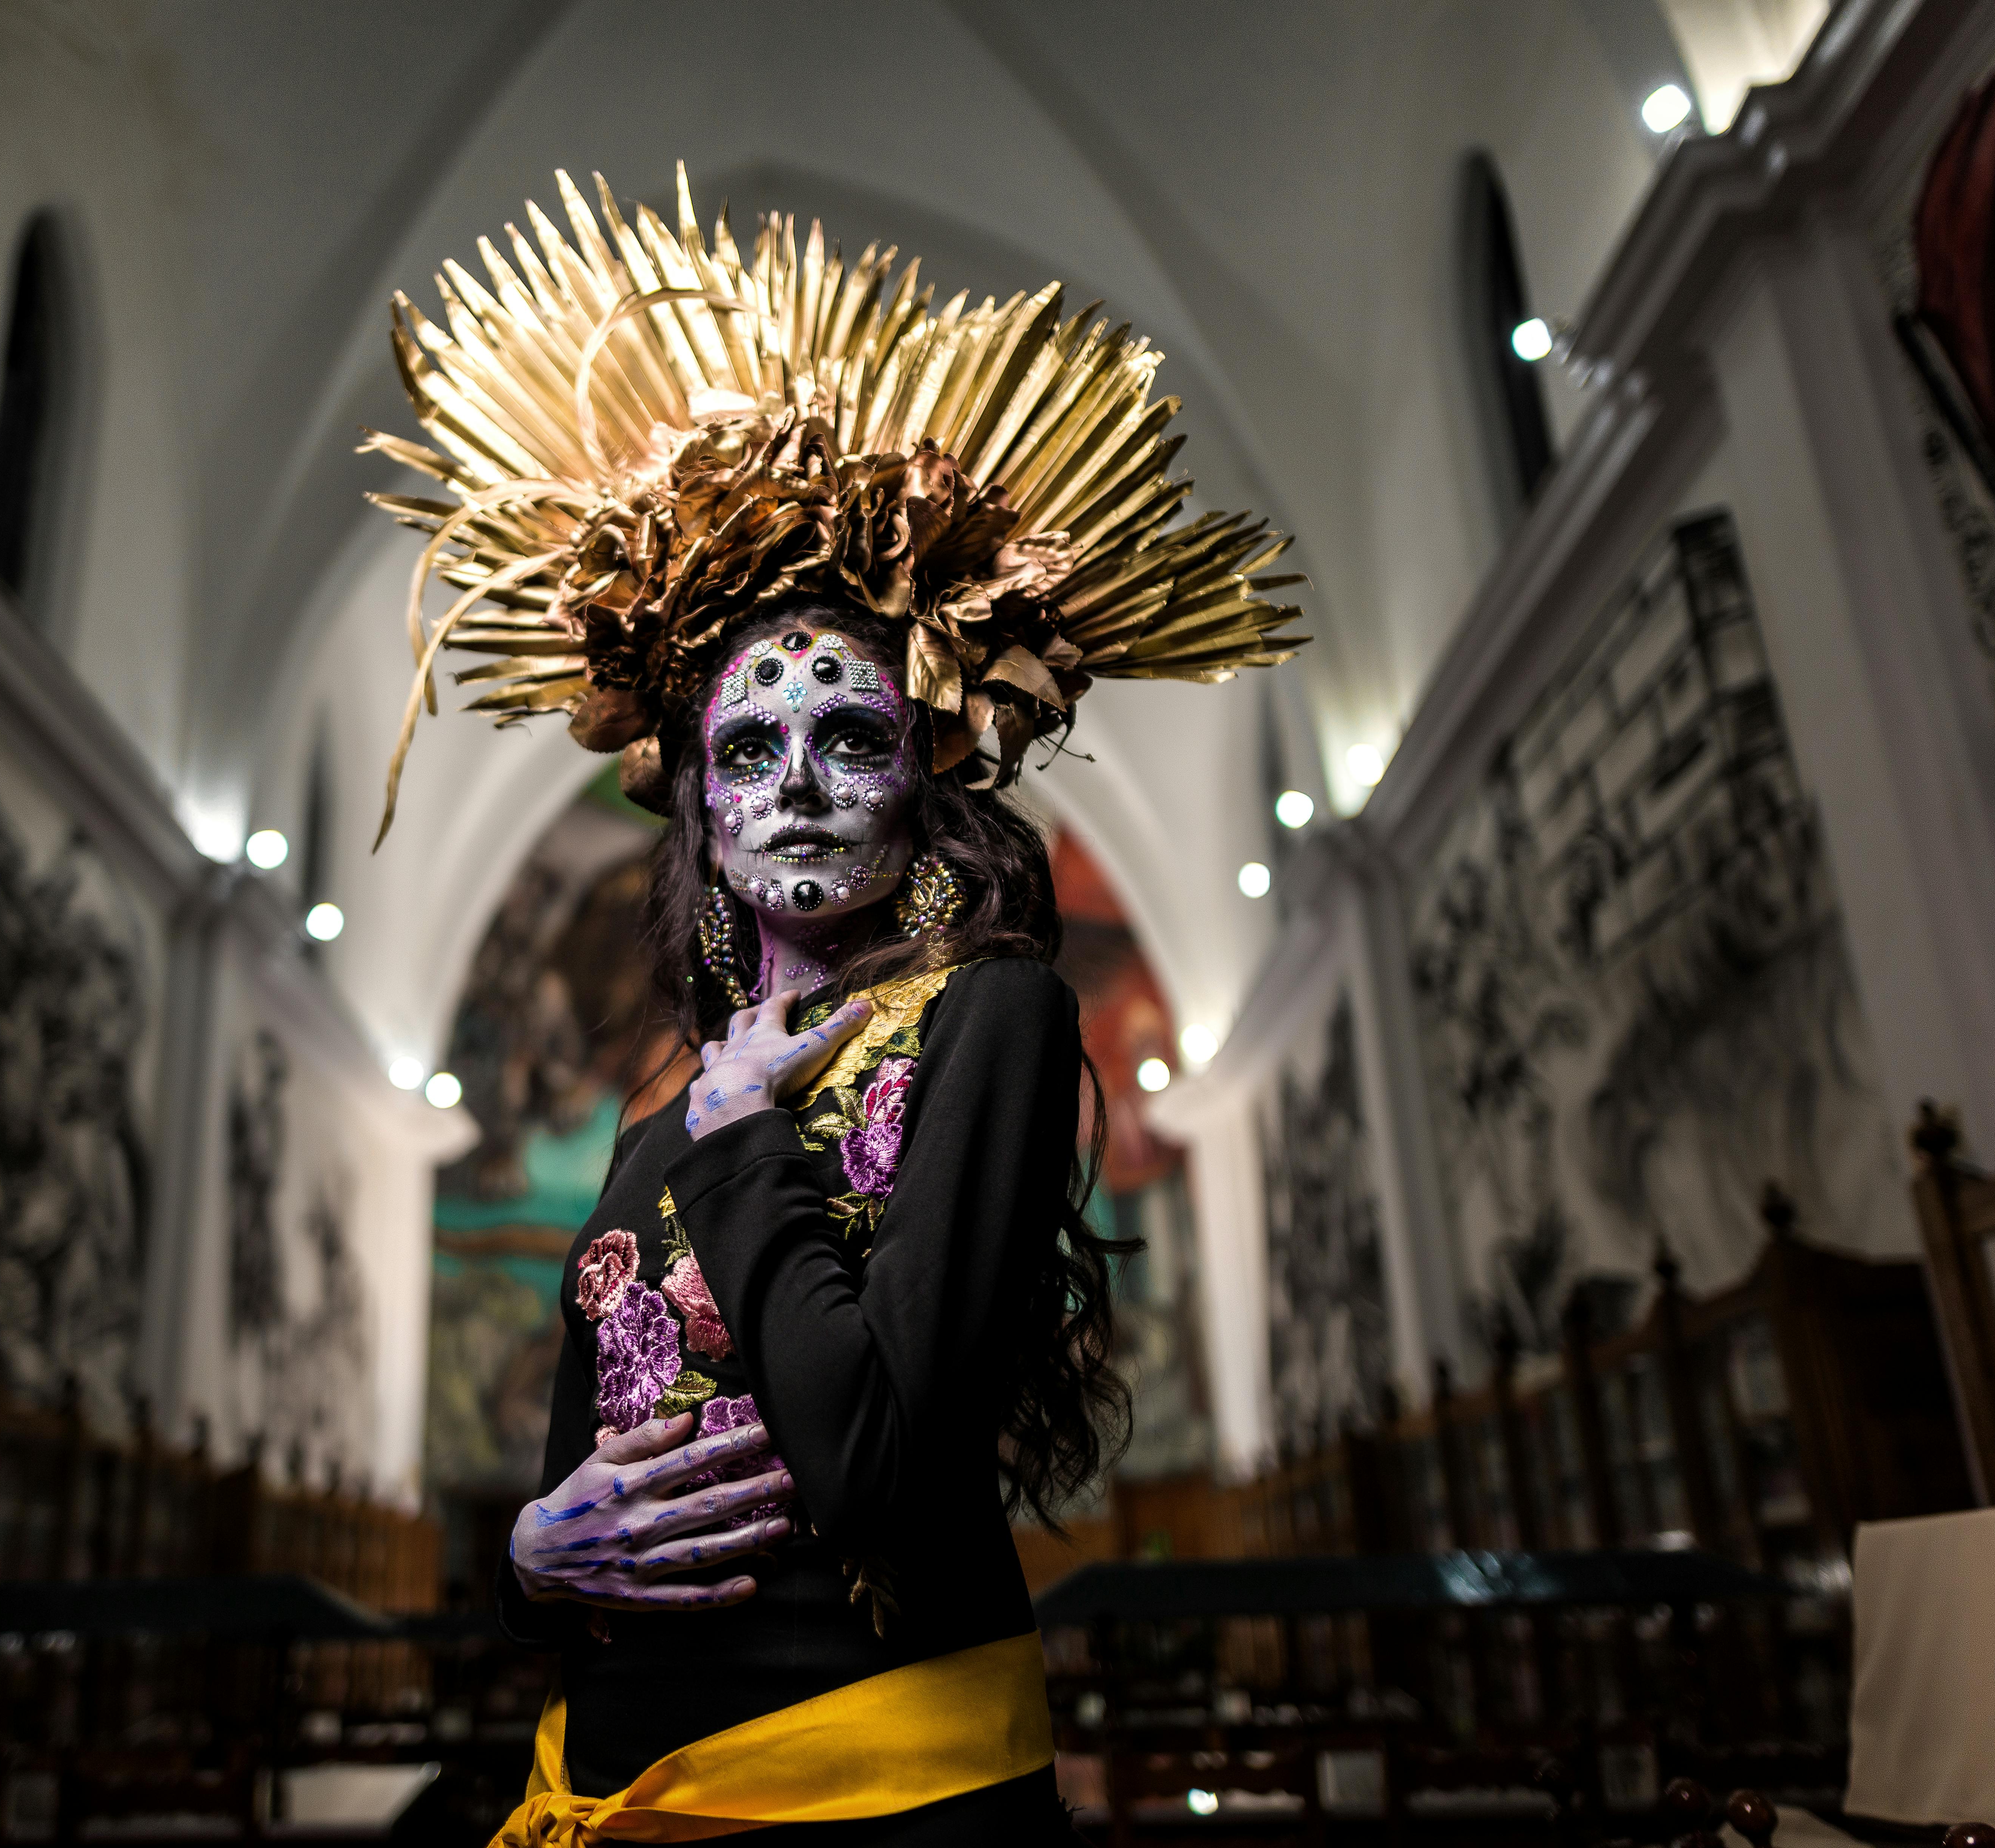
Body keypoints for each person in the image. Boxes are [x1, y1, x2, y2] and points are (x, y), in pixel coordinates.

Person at [368, 166, 1308, 1847]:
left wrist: (744, 1155)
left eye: (850, 736)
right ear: (702, 813)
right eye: (746, 748)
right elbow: (586, 1470)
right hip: (610, 1784)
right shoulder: (658, 1119)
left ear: (923, 780)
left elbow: (875, 1465)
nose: (796, 783)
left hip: (882, 1783)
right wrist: (525, 1559)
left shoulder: (991, 1023)